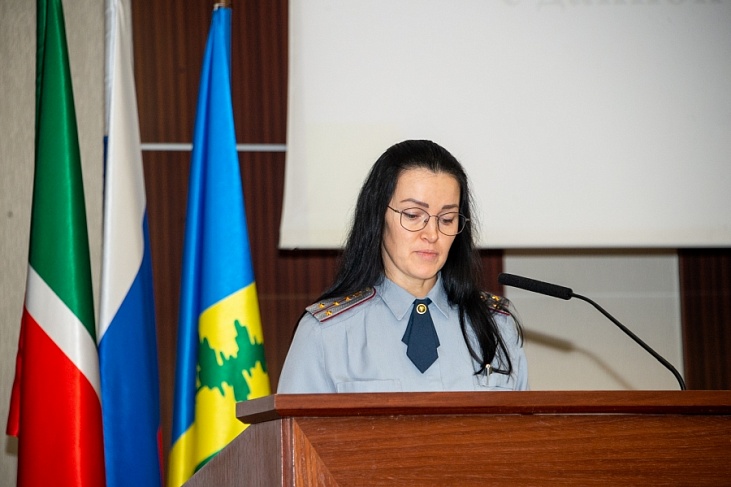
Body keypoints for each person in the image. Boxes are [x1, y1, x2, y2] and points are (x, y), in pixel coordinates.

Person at [278, 140, 528, 393]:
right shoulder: (326, 334)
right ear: (378, 216)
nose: (432, 234)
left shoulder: (497, 325)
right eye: (412, 215)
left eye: (447, 219)